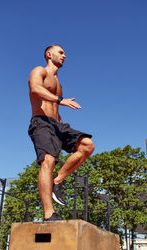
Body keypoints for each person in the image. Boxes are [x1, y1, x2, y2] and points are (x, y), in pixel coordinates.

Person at [28, 44, 94, 221]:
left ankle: (57, 181)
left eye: (64, 53)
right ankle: (49, 214)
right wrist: (60, 100)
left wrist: (61, 121)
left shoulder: (59, 84)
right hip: (41, 122)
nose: (64, 55)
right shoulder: (39, 71)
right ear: (49, 54)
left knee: (87, 145)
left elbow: (55, 108)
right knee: (48, 161)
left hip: (58, 125)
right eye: (61, 52)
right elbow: (35, 89)